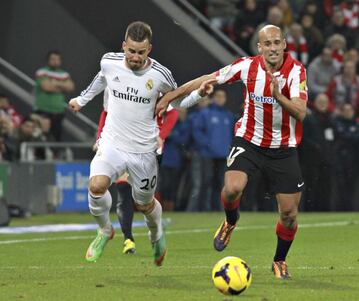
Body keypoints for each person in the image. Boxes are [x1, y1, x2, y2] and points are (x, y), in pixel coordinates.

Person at [156, 25, 308, 280]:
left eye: (276, 43)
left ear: (284, 45)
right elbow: (206, 79)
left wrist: (278, 96)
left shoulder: (296, 71)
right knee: (232, 189)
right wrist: (170, 96)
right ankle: (230, 221)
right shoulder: (246, 66)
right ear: (259, 47)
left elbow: (301, 112)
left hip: (283, 148)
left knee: (289, 215)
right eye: (267, 44)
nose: (272, 48)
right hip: (249, 140)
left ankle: (279, 260)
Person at [68, 21, 212, 264]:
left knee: (144, 204)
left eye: (141, 52)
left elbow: (176, 102)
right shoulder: (109, 62)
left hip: (143, 151)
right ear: (124, 46)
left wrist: (198, 94)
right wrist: (82, 100)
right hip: (112, 143)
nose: (135, 57)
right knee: (96, 186)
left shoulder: (160, 75)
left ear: (149, 50)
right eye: (131, 51)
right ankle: (104, 230)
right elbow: (101, 79)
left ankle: (156, 235)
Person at [94, 88, 179, 254]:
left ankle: (156, 234)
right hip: (119, 145)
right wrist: (99, 137)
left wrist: (161, 136)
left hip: (147, 149)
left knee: (144, 203)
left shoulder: (155, 81)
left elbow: (172, 112)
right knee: (123, 189)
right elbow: (106, 112)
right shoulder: (113, 82)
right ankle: (128, 239)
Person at [34, 50, 75, 141]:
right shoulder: (42, 72)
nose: (55, 61)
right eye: (53, 59)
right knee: (41, 137)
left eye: (57, 59)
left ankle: (55, 155)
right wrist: (62, 85)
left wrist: (55, 83)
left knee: (56, 139)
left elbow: (71, 87)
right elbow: (47, 87)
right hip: (43, 110)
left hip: (58, 111)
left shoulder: (64, 74)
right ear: (48, 60)